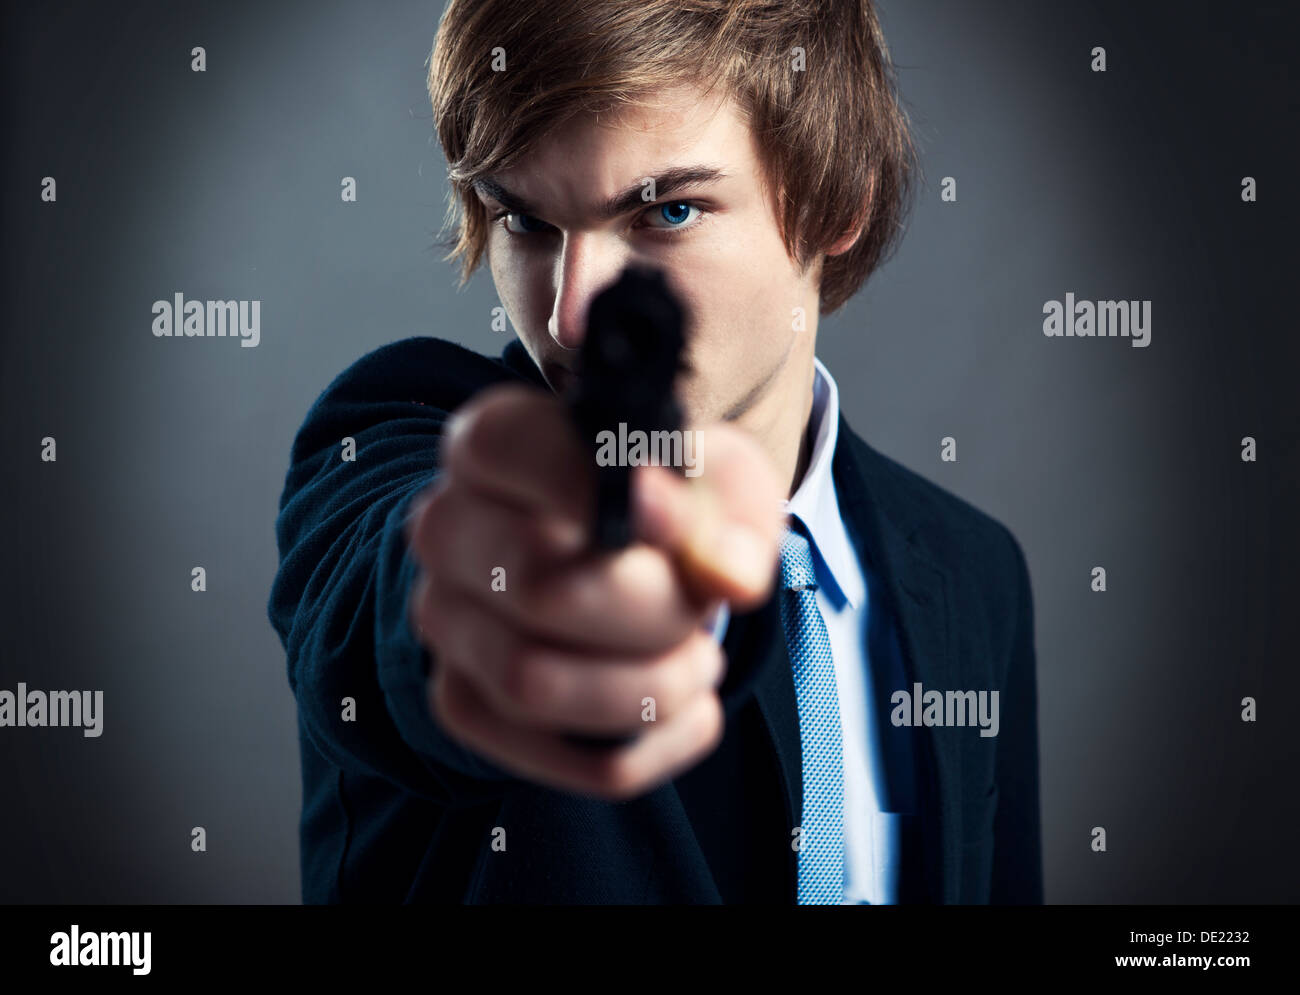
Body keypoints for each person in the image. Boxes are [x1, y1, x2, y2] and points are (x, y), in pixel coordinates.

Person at [267, 0, 1042, 904]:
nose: (570, 315)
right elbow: (390, 597)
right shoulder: (392, 437)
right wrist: (510, 595)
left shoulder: (974, 574)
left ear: (842, 201)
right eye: (524, 220)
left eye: (668, 210)